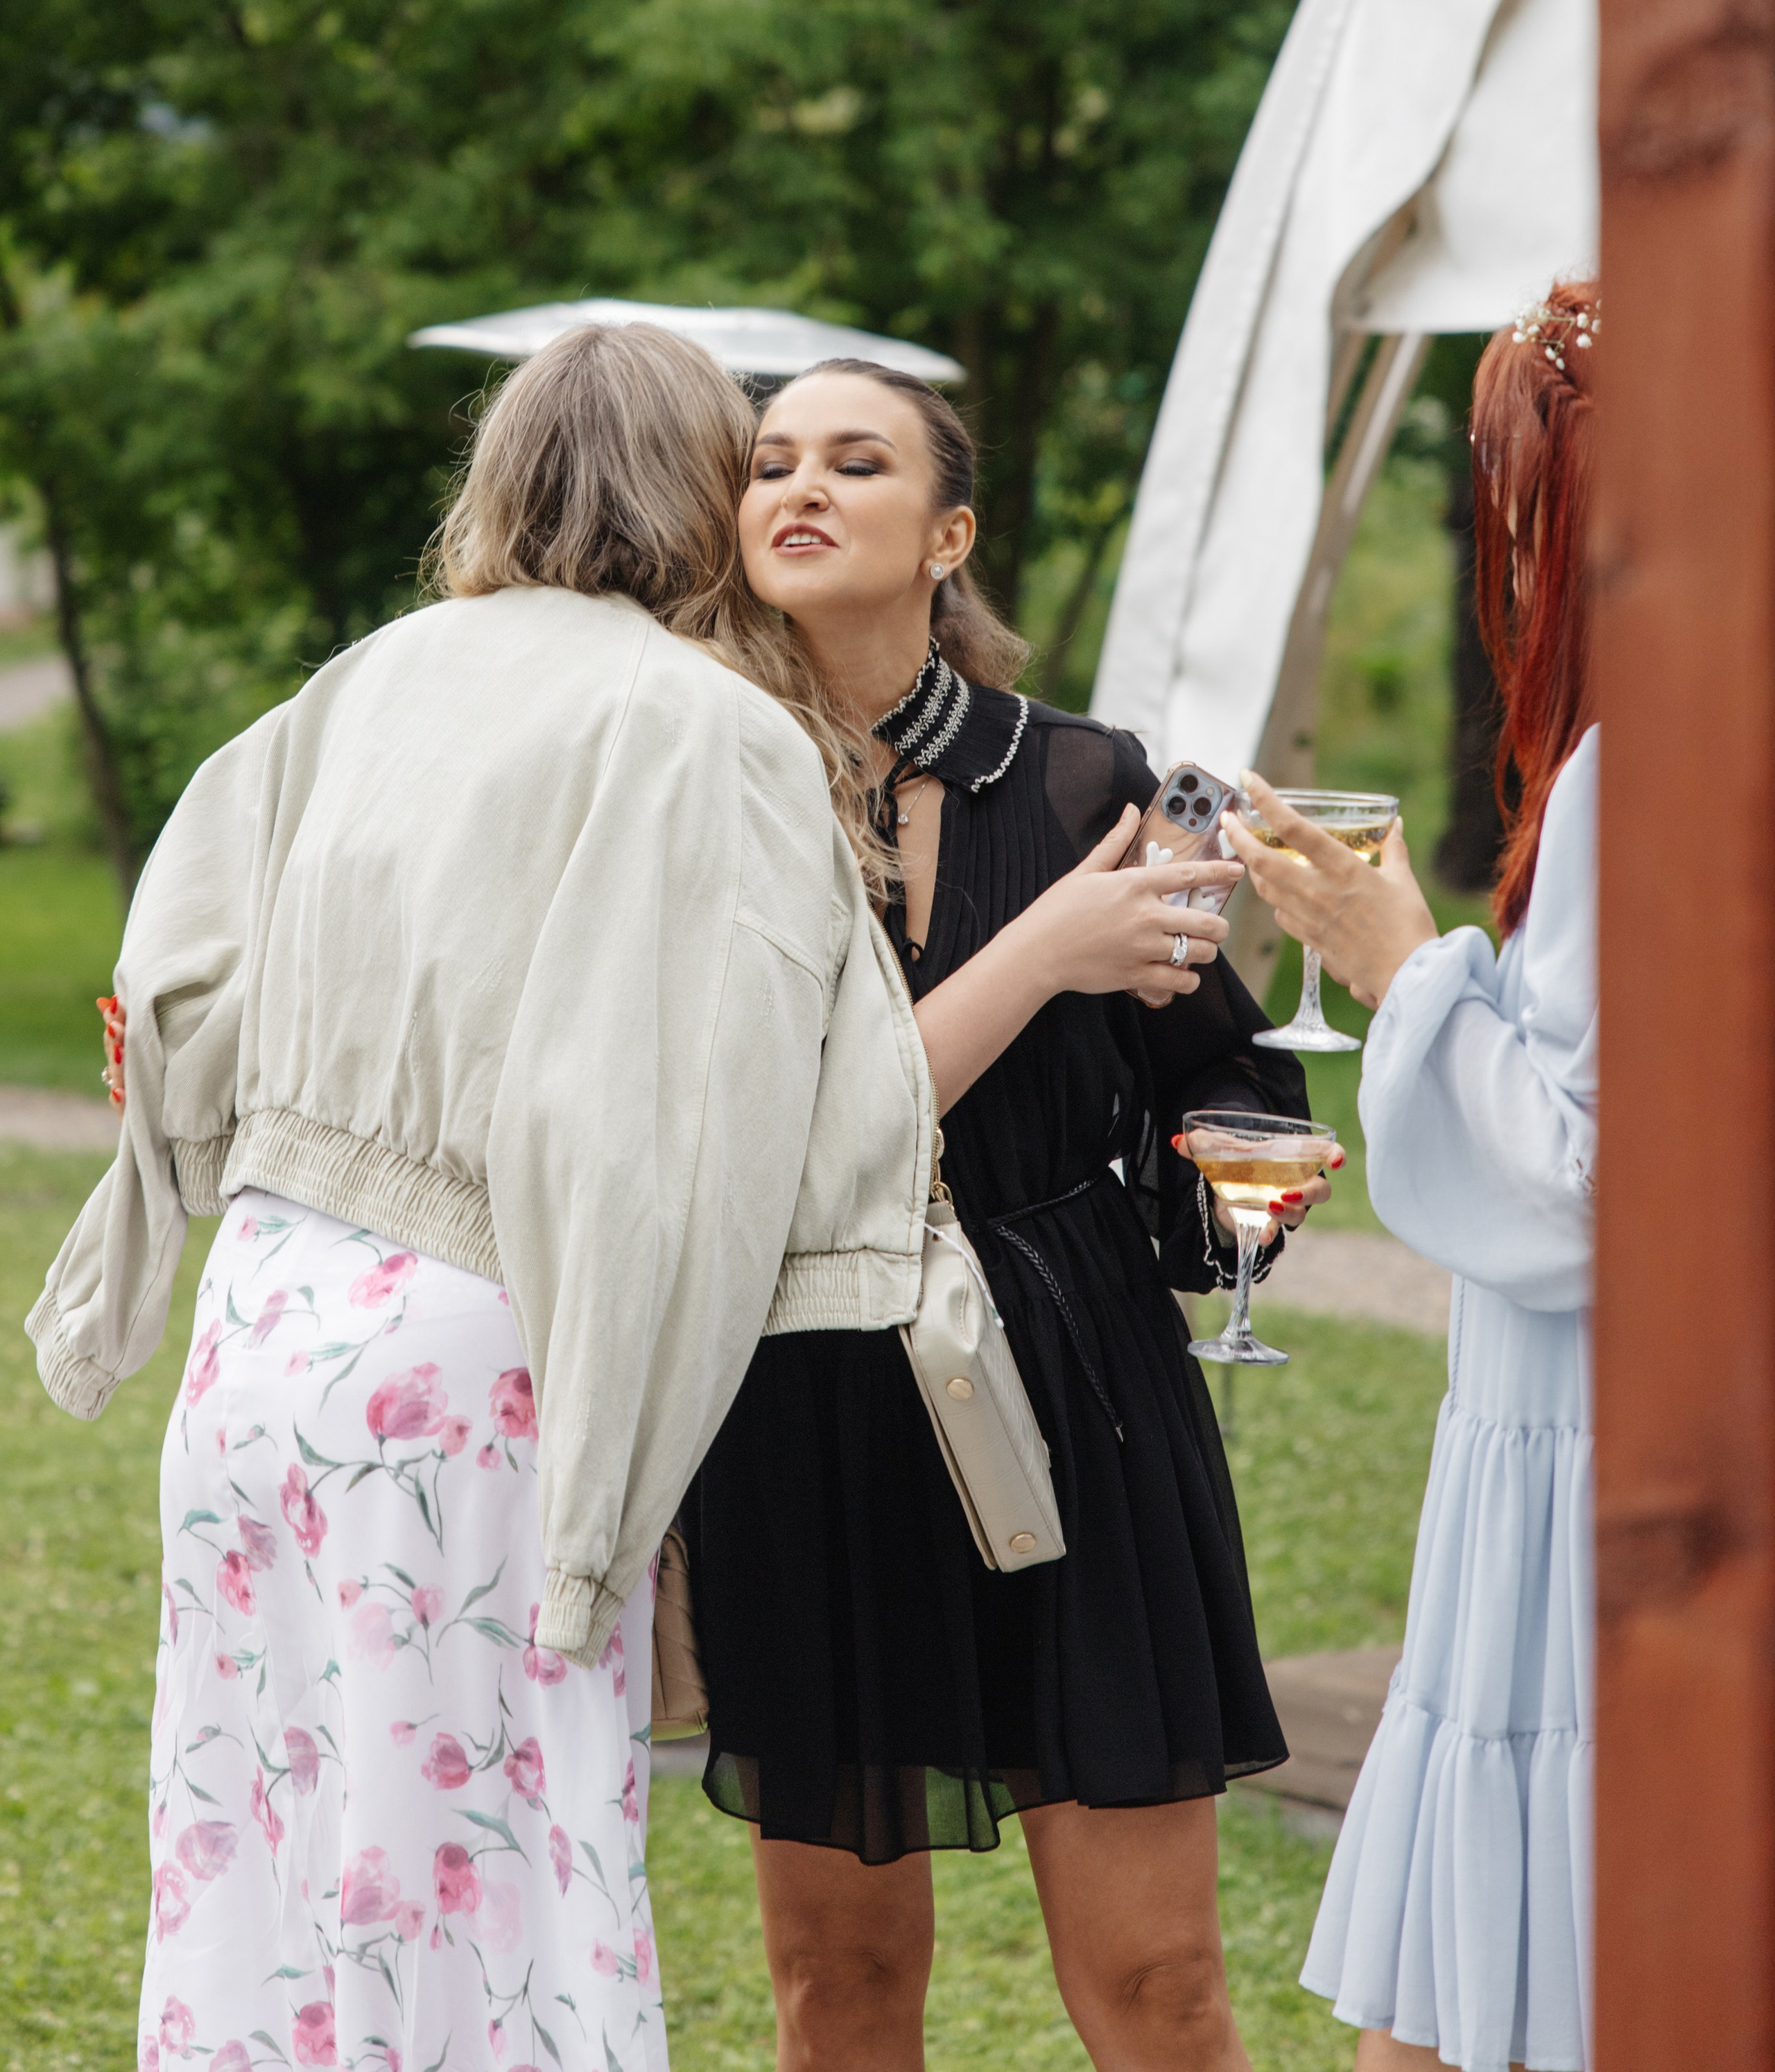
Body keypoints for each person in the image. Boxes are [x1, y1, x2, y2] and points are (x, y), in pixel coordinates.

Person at [26, 326, 935, 2072]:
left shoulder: (364, 680)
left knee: (262, 1858)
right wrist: (621, 1498)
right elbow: (676, 1141)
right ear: (696, 490)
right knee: (492, 1885)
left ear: (497, 474)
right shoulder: (705, 730)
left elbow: (170, 998)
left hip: (264, 1323)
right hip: (476, 1348)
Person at [689, 358, 1334, 2072]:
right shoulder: (700, 791)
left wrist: (1239, 1205)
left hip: (1079, 1398)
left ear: (946, 533)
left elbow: (1232, 1070)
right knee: (836, 1990)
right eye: (767, 465)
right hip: (805, 1406)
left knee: (1160, 1987)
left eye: (852, 461)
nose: (795, 489)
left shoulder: (1080, 783)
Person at [1229, 281, 1600, 2072]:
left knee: (1486, 1986)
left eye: (1519, 495)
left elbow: (1587, 1172)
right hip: (1559, 1426)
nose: (1506, 548)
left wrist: (1404, 965)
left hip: (1583, 1434)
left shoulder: (1633, 771)